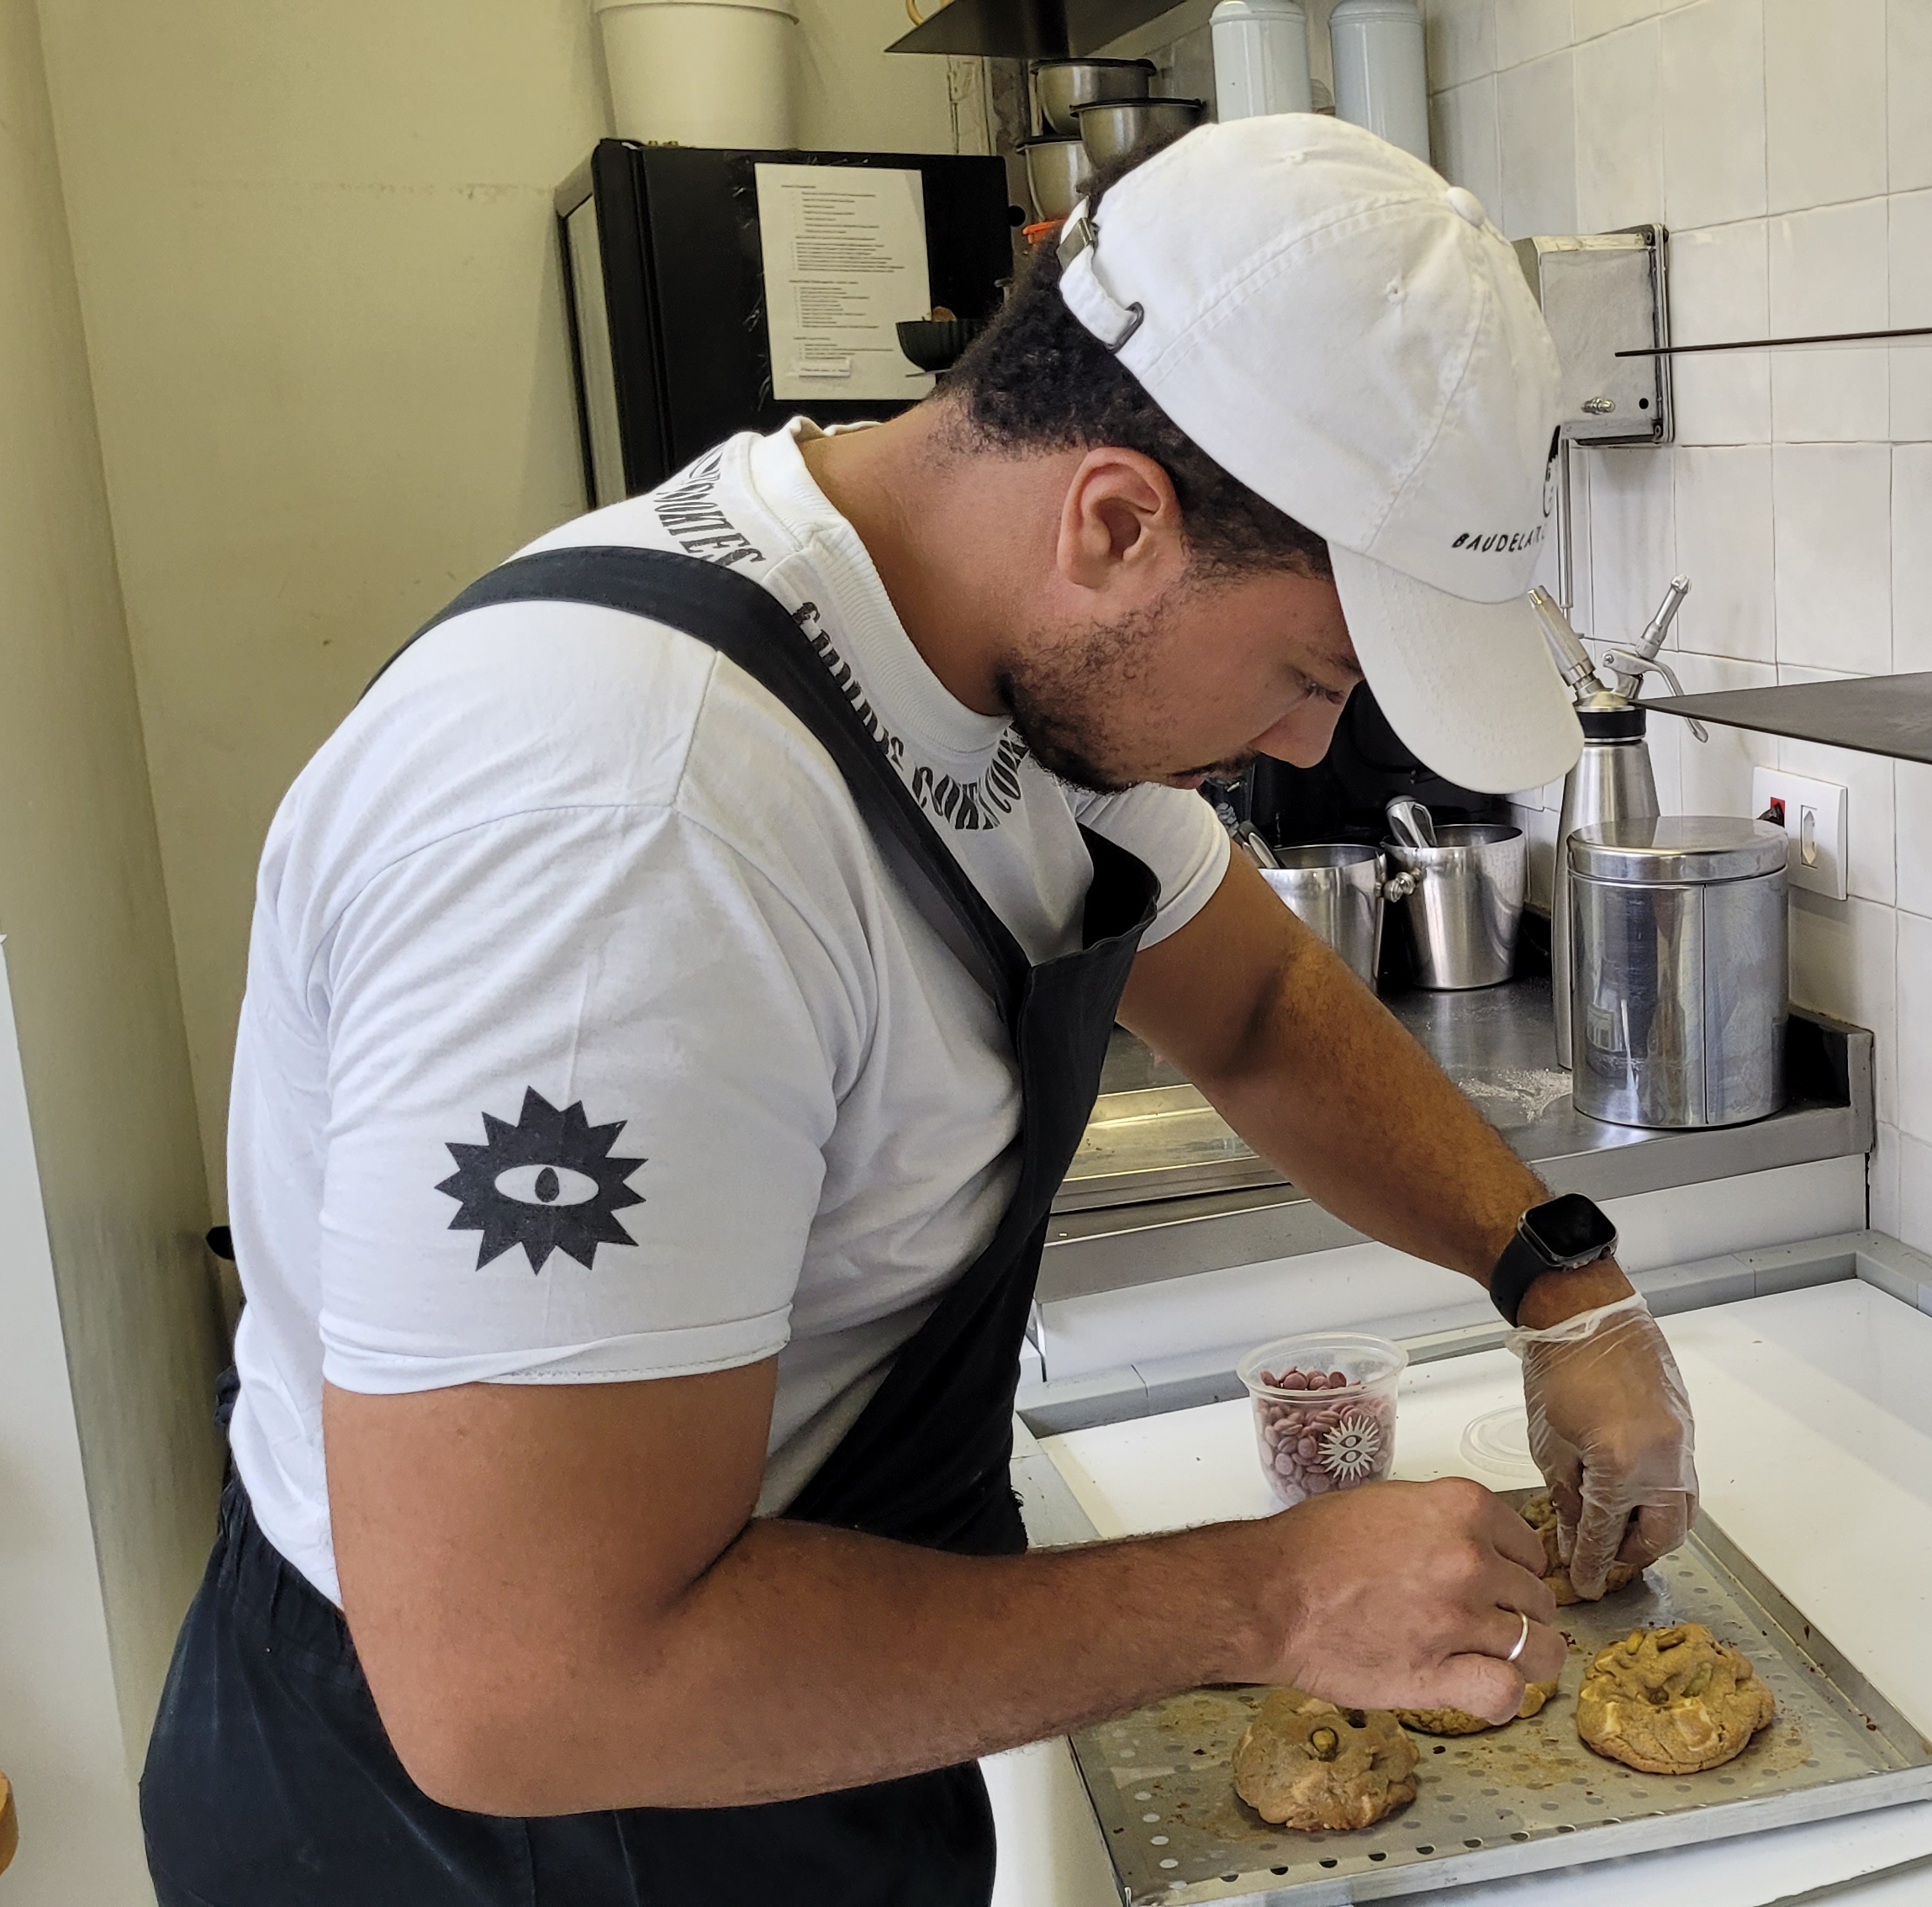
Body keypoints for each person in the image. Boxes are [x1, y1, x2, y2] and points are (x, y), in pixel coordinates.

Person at [137, 116, 1700, 1906]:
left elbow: (1256, 996)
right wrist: (1265, 1599)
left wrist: (1564, 1280)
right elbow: (524, 1689)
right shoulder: (631, 832)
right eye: (1310, 673)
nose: (1300, 747)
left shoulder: (983, 650)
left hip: (797, 1717)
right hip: (497, 1840)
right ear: (1117, 522)